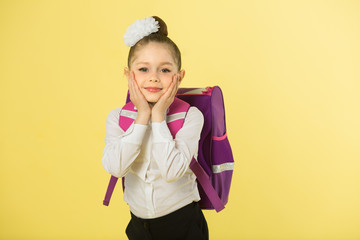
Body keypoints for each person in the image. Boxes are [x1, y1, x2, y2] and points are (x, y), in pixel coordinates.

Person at [101, 16, 209, 240]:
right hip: (139, 226)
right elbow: (116, 168)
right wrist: (142, 116)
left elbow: (172, 172)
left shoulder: (191, 116)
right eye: (143, 69)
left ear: (179, 77)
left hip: (183, 224)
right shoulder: (117, 118)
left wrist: (158, 116)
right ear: (128, 75)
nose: (153, 78)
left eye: (165, 70)